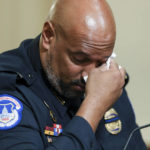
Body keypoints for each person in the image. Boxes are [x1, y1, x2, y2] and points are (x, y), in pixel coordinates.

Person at [0, 0, 147, 149]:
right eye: (80, 59)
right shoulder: (9, 87)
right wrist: (94, 106)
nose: (90, 76)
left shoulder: (106, 77)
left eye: (102, 62)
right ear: (48, 35)